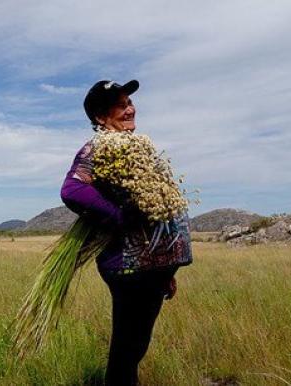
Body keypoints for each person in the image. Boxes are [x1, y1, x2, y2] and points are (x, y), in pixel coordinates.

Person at [60, 79, 180, 386]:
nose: (130, 108)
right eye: (121, 104)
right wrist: (119, 216)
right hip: (128, 265)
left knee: (136, 345)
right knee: (128, 348)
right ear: (101, 117)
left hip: (150, 266)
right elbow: (72, 189)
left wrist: (166, 269)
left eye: (130, 102)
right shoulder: (98, 147)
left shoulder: (132, 147)